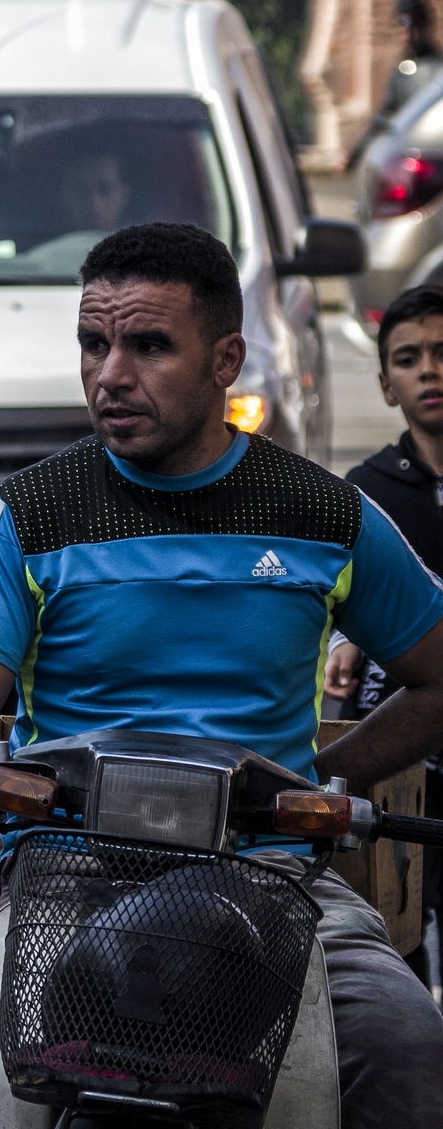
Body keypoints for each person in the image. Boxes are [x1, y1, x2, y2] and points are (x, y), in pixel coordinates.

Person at [0, 222, 443, 1129]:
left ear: (227, 358)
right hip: (64, 879)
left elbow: (437, 675)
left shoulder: (323, 511)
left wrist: (320, 786)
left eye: (148, 346)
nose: (111, 373)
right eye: (93, 344)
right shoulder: (26, 515)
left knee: (409, 1044)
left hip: (274, 880)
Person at [329, 280, 443, 985]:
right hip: (398, 748)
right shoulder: (363, 492)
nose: (429, 369)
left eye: (441, 352)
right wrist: (344, 643)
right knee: (394, 924)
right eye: (408, 359)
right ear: (385, 385)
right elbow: (346, 595)